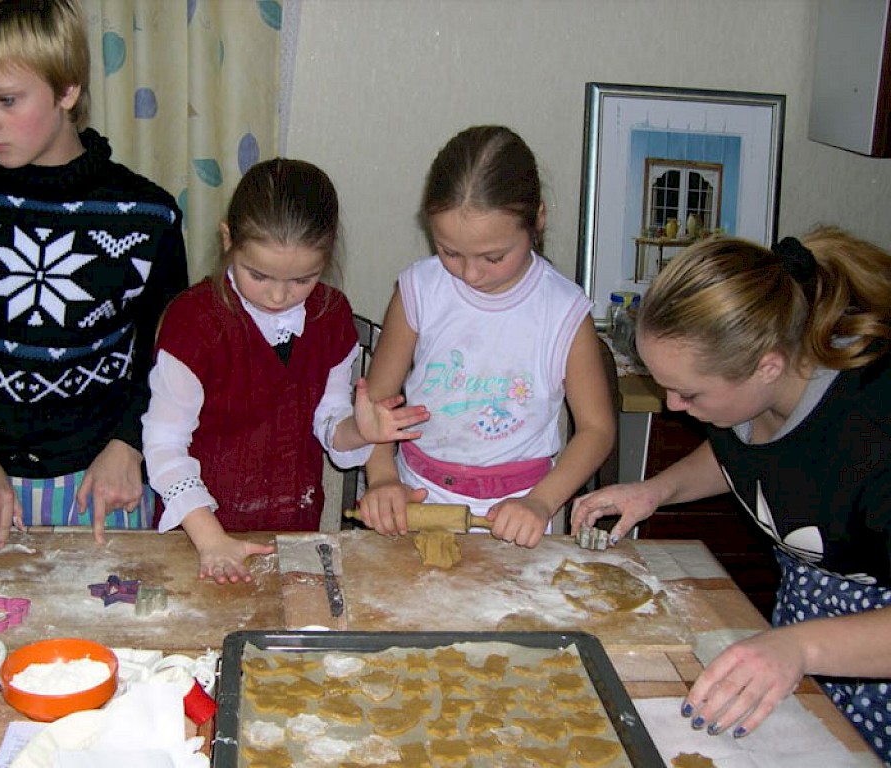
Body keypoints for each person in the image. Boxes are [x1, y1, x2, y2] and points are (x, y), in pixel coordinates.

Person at [0, 0, 189, 558]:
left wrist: (129, 444)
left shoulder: (148, 216)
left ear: (67, 90)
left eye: (6, 100)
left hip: (99, 476)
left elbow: (170, 356)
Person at [572, 228, 891, 762]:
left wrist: (801, 647)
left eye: (689, 392)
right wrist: (656, 491)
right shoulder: (758, 393)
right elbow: (744, 453)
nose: (673, 406)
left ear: (767, 366)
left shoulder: (873, 433)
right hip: (805, 632)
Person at [142, 157, 429, 584]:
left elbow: (329, 420)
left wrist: (360, 432)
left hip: (291, 533)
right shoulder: (194, 323)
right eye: (259, 275)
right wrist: (212, 539)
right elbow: (164, 444)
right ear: (228, 240)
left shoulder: (330, 317)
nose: (278, 296)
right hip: (197, 535)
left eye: (302, 280)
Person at [355, 125, 615, 548]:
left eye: (493, 257)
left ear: (538, 220)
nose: (471, 274)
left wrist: (542, 502)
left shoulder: (562, 312)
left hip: (521, 506)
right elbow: (377, 403)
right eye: (450, 252)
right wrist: (383, 478)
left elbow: (597, 429)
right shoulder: (420, 291)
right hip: (419, 496)